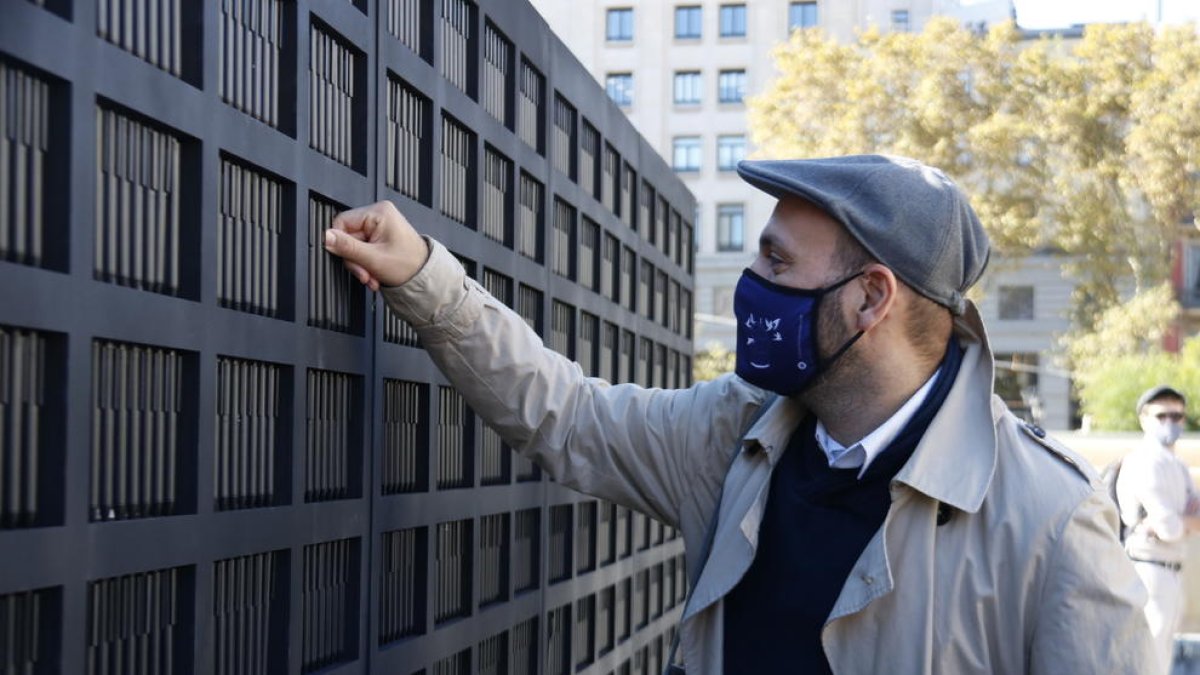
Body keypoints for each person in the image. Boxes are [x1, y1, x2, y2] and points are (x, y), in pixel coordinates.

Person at [323, 155, 1154, 674]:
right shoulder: (739, 430)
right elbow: (569, 416)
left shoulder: (1049, 522)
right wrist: (423, 277)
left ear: (871, 299)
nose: (748, 286)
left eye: (775, 261)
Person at [1117, 385, 1200, 674]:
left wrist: (1181, 521)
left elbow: (1190, 515)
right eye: (1162, 415)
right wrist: (1182, 522)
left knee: (1161, 659)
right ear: (1144, 418)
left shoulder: (1176, 464)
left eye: (1177, 416)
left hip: (1171, 569)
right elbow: (1170, 527)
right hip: (1147, 569)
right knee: (1146, 658)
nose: (1171, 422)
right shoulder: (1144, 461)